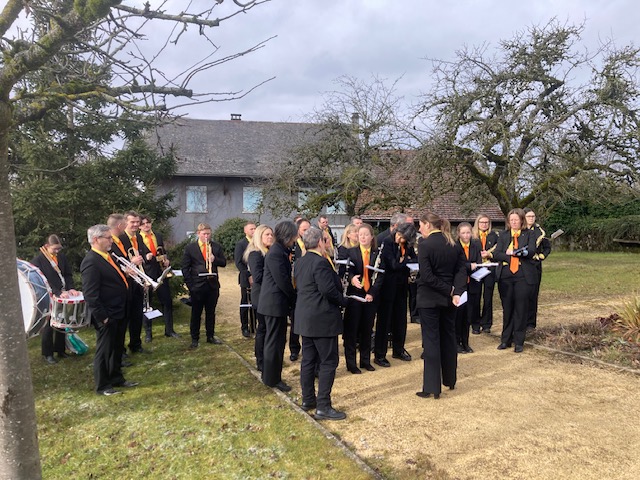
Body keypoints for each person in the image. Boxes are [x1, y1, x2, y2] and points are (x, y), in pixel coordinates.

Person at [294, 227, 348, 420]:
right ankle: (323, 405)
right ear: (319, 242)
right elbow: (328, 290)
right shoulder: (320, 262)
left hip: (306, 317)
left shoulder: (300, 262)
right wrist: (344, 301)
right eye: (325, 240)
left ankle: (308, 399)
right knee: (328, 361)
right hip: (321, 318)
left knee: (308, 360)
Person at [81, 224, 138, 396]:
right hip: (107, 314)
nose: (111, 241)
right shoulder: (91, 261)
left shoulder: (108, 256)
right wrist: (103, 317)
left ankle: (116, 378)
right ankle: (103, 386)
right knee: (104, 350)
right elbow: (91, 294)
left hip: (119, 310)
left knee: (117, 347)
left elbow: (112, 280)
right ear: (96, 239)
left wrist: (126, 275)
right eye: (108, 238)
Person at [415, 213, 467, 399]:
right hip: (449, 300)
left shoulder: (425, 245)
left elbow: (427, 276)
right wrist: (457, 292)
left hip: (430, 298)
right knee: (448, 338)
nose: (419, 229)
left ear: (428, 225)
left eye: (421, 225)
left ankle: (432, 387)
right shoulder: (454, 244)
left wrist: (450, 290)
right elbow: (462, 270)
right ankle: (450, 379)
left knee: (431, 341)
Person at [258, 220, 298, 392]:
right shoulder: (276, 253)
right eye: (294, 236)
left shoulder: (280, 251)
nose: (295, 240)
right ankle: (272, 378)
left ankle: (271, 376)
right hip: (274, 304)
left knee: (276, 341)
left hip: (276, 304)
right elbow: (282, 280)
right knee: (274, 342)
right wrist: (294, 298)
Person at [490, 208, 537, 353]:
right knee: (507, 308)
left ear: (522, 220)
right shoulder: (503, 235)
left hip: (523, 275)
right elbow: (497, 254)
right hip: (506, 275)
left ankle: (519, 341)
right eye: (511, 220)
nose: (514, 222)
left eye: (516, 219)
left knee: (521, 308)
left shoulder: (529, 234)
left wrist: (515, 252)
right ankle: (506, 340)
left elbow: (531, 251)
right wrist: (510, 257)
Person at [374, 222, 417, 367]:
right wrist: (405, 261)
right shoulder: (387, 242)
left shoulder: (408, 245)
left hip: (402, 287)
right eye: (398, 235)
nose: (399, 239)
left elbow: (415, 260)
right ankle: (380, 354)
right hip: (387, 287)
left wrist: (404, 261)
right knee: (384, 321)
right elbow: (393, 265)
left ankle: (398, 349)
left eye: (403, 237)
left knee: (400, 320)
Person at [31, 235, 80, 364]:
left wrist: (71, 288)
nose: (57, 251)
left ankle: (60, 349)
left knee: (63, 322)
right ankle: (48, 353)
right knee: (49, 325)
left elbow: (67, 274)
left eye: (59, 248)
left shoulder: (61, 257)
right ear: (47, 246)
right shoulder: (38, 261)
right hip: (48, 295)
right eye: (55, 249)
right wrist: (56, 292)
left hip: (63, 294)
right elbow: (41, 281)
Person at [343, 223, 384, 373]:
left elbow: (380, 276)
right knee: (352, 331)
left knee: (367, 330)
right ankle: (351, 364)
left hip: (370, 297)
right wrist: (352, 278)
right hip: (355, 296)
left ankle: (365, 361)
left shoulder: (377, 254)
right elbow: (346, 270)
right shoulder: (351, 252)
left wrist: (372, 293)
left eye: (366, 234)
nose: (363, 237)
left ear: (372, 237)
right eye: (360, 235)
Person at [182, 223, 227, 348]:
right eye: (204, 234)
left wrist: (214, 259)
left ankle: (210, 336)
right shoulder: (190, 248)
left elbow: (223, 263)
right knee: (196, 313)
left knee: (211, 312)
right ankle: (194, 338)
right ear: (198, 234)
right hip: (197, 286)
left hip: (212, 285)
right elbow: (185, 268)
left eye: (208, 234)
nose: (206, 236)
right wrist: (190, 286)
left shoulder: (216, 247)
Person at [139, 215, 178, 340]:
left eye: (148, 222)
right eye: (143, 223)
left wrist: (166, 260)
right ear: (139, 226)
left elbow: (162, 251)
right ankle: (148, 333)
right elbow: (135, 256)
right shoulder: (137, 238)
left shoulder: (158, 236)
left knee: (167, 301)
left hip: (160, 273)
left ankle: (169, 330)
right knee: (147, 304)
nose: (146, 225)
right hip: (147, 274)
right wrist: (145, 258)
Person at [118, 210, 150, 354]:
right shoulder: (120, 238)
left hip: (138, 281)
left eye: (138, 222)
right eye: (132, 222)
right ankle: (121, 351)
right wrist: (132, 262)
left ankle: (136, 345)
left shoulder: (139, 238)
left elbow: (142, 259)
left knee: (137, 316)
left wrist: (144, 279)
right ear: (126, 222)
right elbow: (117, 261)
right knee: (124, 319)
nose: (136, 225)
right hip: (126, 282)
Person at [244, 225, 274, 372]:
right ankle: (260, 359)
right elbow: (258, 277)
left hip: (269, 296)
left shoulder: (269, 252)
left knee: (268, 329)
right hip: (261, 295)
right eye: (267, 234)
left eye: (271, 234)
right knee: (262, 328)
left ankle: (268, 357)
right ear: (259, 237)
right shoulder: (255, 254)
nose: (270, 237)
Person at [454, 222, 481, 354]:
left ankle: (465, 342)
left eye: (468, 233)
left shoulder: (475, 246)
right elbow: (456, 265)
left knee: (468, 316)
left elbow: (479, 262)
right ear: (458, 233)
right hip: (460, 286)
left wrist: (476, 267)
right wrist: (469, 265)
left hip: (472, 284)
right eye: (463, 233)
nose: (466, 235)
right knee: (458, 316)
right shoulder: (454, 247)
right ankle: (456, 342)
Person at [524, 208, 551, 331]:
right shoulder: (520, 230)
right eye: (529, 216)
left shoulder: (540, 232)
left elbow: (547, 248)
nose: (531, 218)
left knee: (533, 294)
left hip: (535, 265)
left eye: (533, 216)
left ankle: (531, 323)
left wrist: (542, 256)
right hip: (521, 265)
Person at [288, 218, 311, 361]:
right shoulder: (293, 245)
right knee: (295, 320)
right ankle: (294, 348)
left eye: (309, 229)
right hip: (296, 286)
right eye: (304, 230)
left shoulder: (312, 244)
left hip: (309, 286)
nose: (307, 232)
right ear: (298, 231)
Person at [473, 214, 499, 334]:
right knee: (476, 297)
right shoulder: (472, 236)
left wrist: (490, 255)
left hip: (490, 269)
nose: (484, 225)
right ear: (477, 223)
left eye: (486, 222)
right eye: (482, 222)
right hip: (477, 269)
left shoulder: (494, 236)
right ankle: (475, 324)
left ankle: (486, 324)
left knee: (488, 297)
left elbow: (498, 251)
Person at [234, 221, 256, 338]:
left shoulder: (257, 243)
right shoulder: (241, 244)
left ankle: (254, 326)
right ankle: (245, 327)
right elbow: (238, 262)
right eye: (251, 229)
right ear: (245, 231)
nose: (254, 231)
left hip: (257, 277)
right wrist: (248, 275)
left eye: (255, 228)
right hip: (245, 278)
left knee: (255, 303)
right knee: (245, 303)